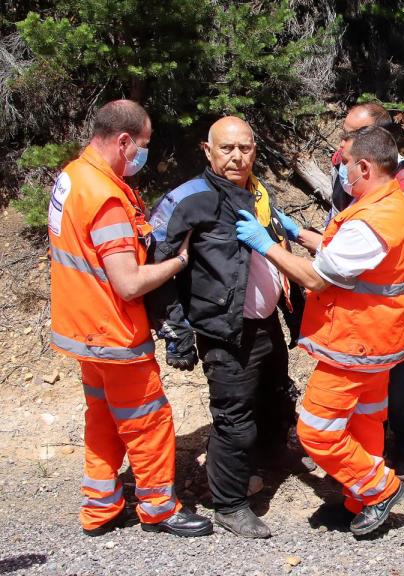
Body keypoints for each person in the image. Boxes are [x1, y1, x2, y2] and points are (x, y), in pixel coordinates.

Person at [235, 126, 404, 536]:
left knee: (316, 431)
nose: (342, 173)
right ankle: (359, 499)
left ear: (365, 167)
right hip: (377, 341)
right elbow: (346, 257)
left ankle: (380, 488)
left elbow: (318, 279)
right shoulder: (390, 202)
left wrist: (266, 244)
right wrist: (297, 232)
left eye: (346, 166)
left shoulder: (371, 219)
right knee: (365, 421)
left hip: (355, 343)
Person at [48, 99, 212, 537]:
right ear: (123, 141)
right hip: (114, 333)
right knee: (149, 420)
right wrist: (178, 262)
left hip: (82, 330)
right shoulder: (105, 199)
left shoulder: (73, 176)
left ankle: (100, 507)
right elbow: (129, 283)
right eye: (143, 144)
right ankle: (158, 506)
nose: (145, 153)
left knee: (102, 418)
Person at [146, 116, 302, 539]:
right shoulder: (189, 198)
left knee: (274, 395)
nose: (237, 156)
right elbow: (156, 265)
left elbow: (278, 247)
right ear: (208, 150)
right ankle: (230, 504)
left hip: (265, 322)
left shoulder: (257, 193)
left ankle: (270, 459)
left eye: (246, 148)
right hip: (225, 329)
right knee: (234, 420)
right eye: (227, 148)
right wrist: (175, 331)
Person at [330, 103, 404, 479]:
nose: (341, 143)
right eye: (342, 133)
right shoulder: (342, 168)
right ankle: (362, 439)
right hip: (355, 295)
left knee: (398, 368)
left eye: (351, 136)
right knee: (359, 369)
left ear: (379, 138)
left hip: (395, 300)